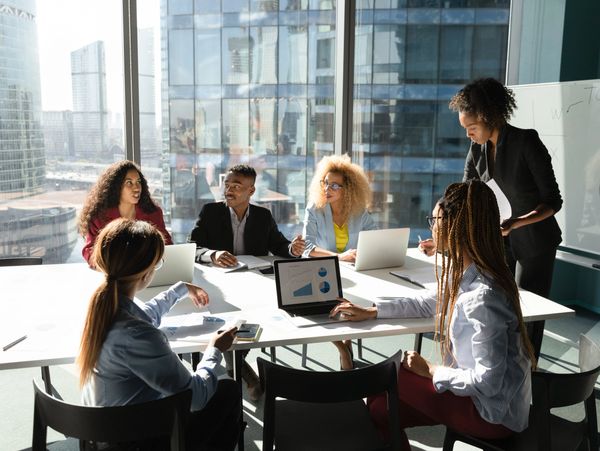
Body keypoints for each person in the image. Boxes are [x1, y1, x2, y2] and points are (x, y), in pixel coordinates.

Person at [332, 180, 536, 450]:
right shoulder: (471, 274)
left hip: (492, 415)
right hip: (486, 403)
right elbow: (427, 303)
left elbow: (488, 382)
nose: (432, 226)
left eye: (435, 219)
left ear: (454, 227)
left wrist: (430, 370)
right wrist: (373, 311)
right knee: (381, 407)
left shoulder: (483, 297)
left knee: (386, 381)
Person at [77, 218, 240, 451]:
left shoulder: (104, 308)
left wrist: (180, 289)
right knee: (227, 390)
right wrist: (214, 350)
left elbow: (145, 315)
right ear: (145, 273)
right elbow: (196, 398)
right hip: (137, 440)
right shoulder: (136, 334)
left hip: (105, 428)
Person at [420, 78, 562, 299]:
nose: (468, 134)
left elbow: (553, 201)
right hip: (498, 243)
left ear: (490, 117)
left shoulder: (526, 142)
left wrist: (517, 222)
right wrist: (441, 239)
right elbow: (462, 197)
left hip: (535, 242)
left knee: (531, 311)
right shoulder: (477, 149)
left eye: (472, 127)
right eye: (465, 128)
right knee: (500, 304)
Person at [188, 164, 305, 399]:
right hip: (219, 285)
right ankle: (245, 372)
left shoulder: (263, 216)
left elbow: (278, 245)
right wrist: (213, 254)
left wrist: (292, 249)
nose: (229, 190)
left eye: (237, 186)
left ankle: (237, 365)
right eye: (227, 185)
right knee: (231, 320)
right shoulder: (210, 211)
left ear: (251, 191)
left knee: (260, 316)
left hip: (252, 282)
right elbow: (193, 248)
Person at [302, 154, 376, 369]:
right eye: (325, 182)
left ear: (349, 189)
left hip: (354, 273)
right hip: (322, 272)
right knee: (333, 302)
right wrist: (339, 257)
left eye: (335, 185)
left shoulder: (359, 212)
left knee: (358, 299)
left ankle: (347, 342)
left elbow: (373, 239)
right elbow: (307, 249)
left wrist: (361, 254)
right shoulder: (314, 209)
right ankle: (343, 347)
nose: (328, 189)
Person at [79, 160, 172, 264]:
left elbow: (167, 245)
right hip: (115, 274)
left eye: (138, 182)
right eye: (129, 183)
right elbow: (90, 253)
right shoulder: (99, 217)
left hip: (149, 273)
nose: (136, 188)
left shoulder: (153, 213)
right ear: (116, 187)